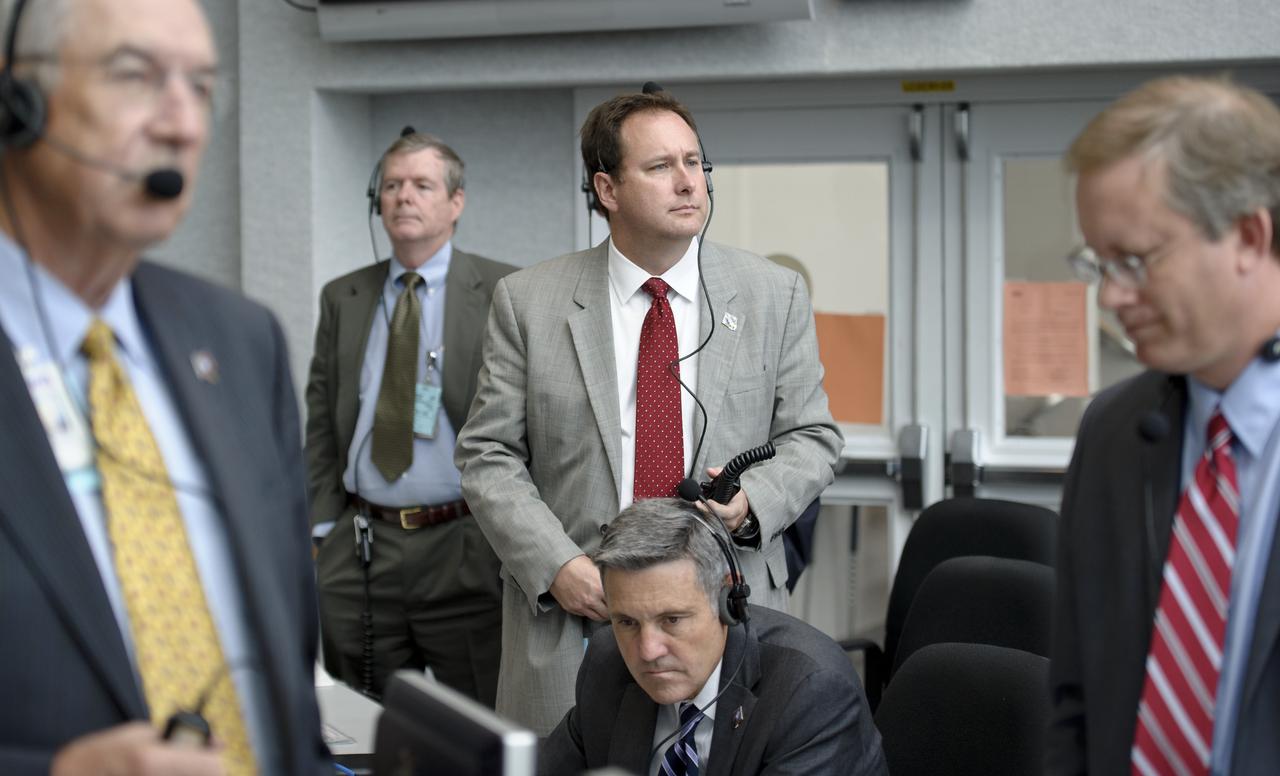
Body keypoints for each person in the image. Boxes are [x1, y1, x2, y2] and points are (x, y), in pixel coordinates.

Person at [0, 0, 329, 773]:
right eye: (137, 77)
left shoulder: (242, 343)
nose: (182, 125)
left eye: (203, 87)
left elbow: (288, 704)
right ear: (18, 103)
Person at [455, 88, 842, 735]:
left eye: (696, 162)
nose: (689, 181)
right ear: (606, 188)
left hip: (722, 610)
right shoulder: (528, 301)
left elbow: (814, 437)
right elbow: (486, 456)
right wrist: (556, 566)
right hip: (580, 614)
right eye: (661, 166)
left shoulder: (773, 294)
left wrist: (752, 501)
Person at [1049, 76, 1280, 775]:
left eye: (1137, 261)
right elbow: (1074, 693)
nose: (1112, 295)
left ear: (1248, 234)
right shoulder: (1114, 430)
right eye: (1099, 263)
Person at [305, 131, 513, 703]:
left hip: (465, 545)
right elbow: (321, 422)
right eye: (392, 185)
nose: (403, 197)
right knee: (360, 729)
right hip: (360, 547)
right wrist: (322, 531)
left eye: (422, 185)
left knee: (477, 729)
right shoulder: (342, 297)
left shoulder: (504, 290)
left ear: (455, 202)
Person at [540, 498, 886, 775]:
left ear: (727, 598)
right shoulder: (608, 661)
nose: (647, 651)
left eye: (672, 619)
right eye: (627, 622)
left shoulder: (810, 693)